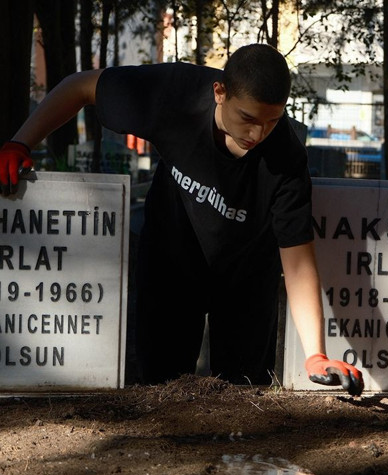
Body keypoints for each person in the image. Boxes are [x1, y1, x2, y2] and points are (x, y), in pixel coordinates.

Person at [0, 44, 362, 395]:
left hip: (246, 280)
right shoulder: (174, 95)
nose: (257, 134)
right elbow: (80, 86)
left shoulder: (286, 157)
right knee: (160, 390)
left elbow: (297, 260)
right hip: (170, 262)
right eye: (248, 119)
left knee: (244, 399)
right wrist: (21, 143)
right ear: (220, 92)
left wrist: (315, 354)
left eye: (271, 121)